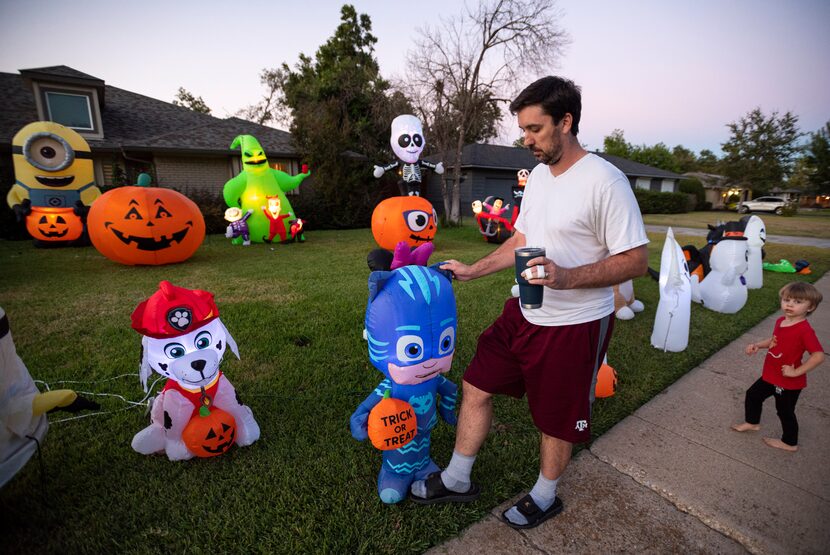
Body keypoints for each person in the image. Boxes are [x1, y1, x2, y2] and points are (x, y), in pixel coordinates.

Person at [409, 76, 649, 529]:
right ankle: (459, 477)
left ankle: (545, 494)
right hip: (523, 309)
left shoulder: (605, 181)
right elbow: (522, 238)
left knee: (555, 419)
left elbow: (636, 260)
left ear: (566, 122)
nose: (527, 140)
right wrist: (473, 269)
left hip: (576, 322)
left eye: (535, 129)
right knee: (476, 385)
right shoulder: (538, 177)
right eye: (523, 129)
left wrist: (567, 276)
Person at [731, 282, 824, 452]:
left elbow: (818, 356)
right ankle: (752, 423)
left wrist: (796, 371)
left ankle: (789, 443)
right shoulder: (781, 321)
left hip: (788, 382)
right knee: (753, 395)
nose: (789, 304)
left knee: (784, 411)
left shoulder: (804, 330)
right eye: (787, 300)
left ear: (810, 307)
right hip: (771, 375)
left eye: (797, 302)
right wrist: (758, 345)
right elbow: (774, 341)